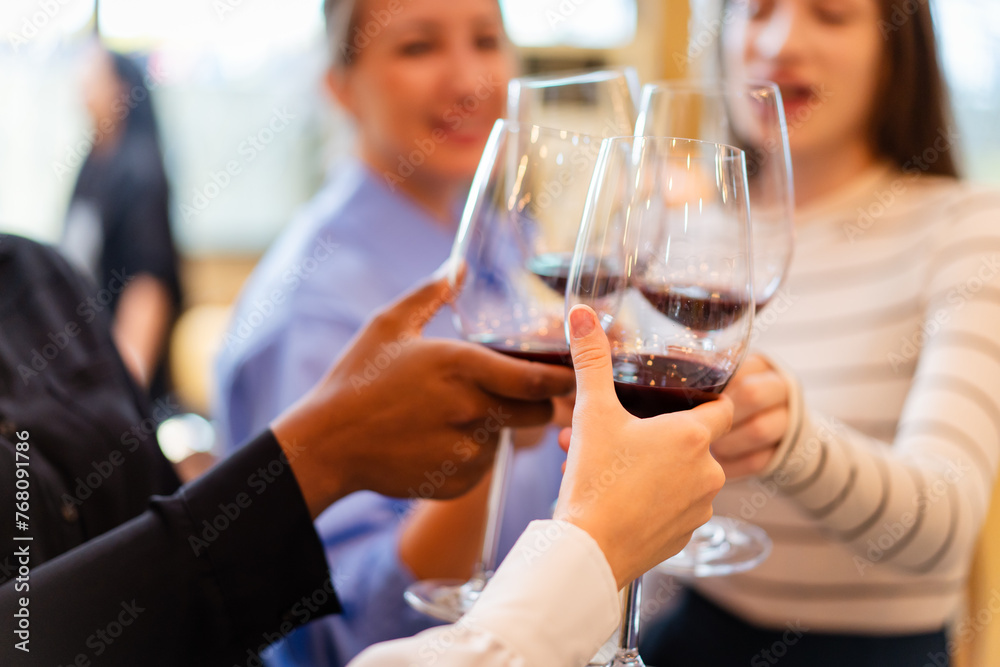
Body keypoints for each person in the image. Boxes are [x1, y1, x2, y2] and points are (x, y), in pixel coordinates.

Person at [0, 280, 732, 666]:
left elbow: (160, 563)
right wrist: (588, 552)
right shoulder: (315, 295)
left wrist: (318, 452)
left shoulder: (39, 281)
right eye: (417, 45)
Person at [639, 1, 1000, 665]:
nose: (779, 40)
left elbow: (945, 523)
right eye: (757, 10)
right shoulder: (685, 235)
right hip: (689, 633)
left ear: (899, 50)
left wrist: (791, 436)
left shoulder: (970, 228)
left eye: (830, 13)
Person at [213, 0, 568, 662]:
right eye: (417, 47)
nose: (468, 81)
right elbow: (343, 629)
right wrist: (496, 433)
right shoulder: (311, 305)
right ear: (338, 86)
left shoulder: (499, 236)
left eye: (487, 40)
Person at [60, 46, 182, 400]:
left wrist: (122, 401)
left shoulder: (140, 173)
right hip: (80, 370)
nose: (82, 88)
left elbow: (148, 288)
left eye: (93, 79)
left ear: (122, 90)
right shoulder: (92, 164)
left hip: (118, 384)